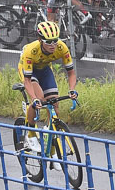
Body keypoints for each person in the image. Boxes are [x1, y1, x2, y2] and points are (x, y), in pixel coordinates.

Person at [17, 20, 78, 153]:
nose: (53, 45)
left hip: (44, 69)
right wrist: (34, 98)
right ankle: (31, 134)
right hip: (28, 71)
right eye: (48, 41)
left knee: (55, 104)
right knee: (40, 99)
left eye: (55, 40)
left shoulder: (62, 47)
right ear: (40, 40)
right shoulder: (31, 51)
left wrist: (72, 89)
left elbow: (71, 73)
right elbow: (27, 81)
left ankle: (51, 144)